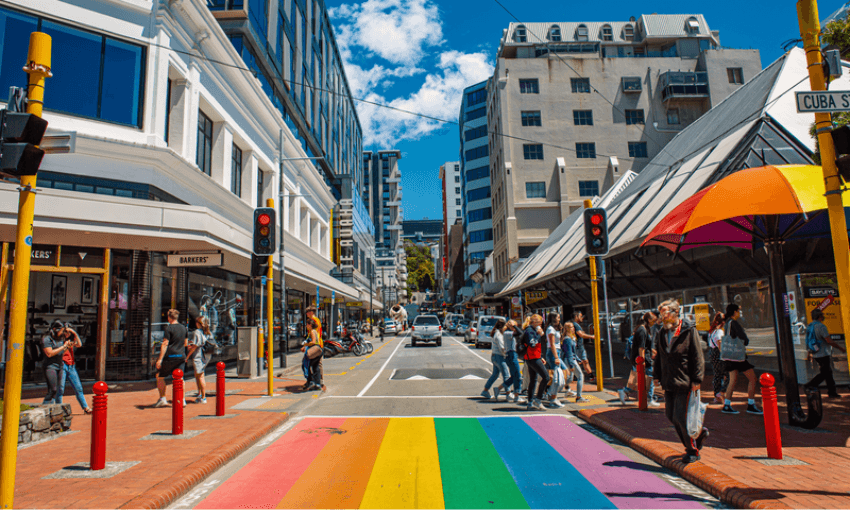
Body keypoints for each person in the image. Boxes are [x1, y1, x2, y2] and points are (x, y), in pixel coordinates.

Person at [654, 300, 708, 464]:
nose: (663, 317)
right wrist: (657, 375)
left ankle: (692, 450)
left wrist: (697, 379)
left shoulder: (689, 331)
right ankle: (698, 435)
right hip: (669, 381)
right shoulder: (662, 333)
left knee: (681, 416)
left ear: (676, 313)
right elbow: (660, 357)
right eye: (661, 314)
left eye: (665, 313)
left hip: (685, 381)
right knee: (671, 415)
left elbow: (698, 356)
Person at [721, 304, 762, 415]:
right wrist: (746, 340)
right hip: (738, 357)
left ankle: (727, 405)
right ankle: (751, 404)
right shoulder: (734, 323)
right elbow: (743, 337)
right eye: (738, 311)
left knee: (732, 380)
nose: (739, 313)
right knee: (753, 379)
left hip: (729, 356)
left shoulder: (727, 323)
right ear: (734, 312)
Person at [805, 309, 845, 398]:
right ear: (820, 316)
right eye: (822, 315)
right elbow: (828, 340)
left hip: (815, 353)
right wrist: (840, 348)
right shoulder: (821, 326)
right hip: (823, 353)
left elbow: (808, 341)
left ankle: (832, 392)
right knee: (826, 373)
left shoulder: (810, 326)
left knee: (827, 373)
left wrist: (809, 353)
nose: (823, 317)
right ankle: (810, 385)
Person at [154, 309, 188, 408]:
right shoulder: (183, 328)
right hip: (181, 356)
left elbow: (165, 344)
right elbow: (186, 343)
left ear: (169, 317)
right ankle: (182, 399)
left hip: (170, 356)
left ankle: (163, 398)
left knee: (159, 376)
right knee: (180, 378)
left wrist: (160, 359)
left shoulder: (168, 329)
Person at [56, 323, 92, 414]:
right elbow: (58, 354)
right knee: (60, 389)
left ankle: (85, 407)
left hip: (71, 366)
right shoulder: (59, 341)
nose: (67, 334)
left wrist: (75, 333)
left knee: (78, 388)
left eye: (69, 332)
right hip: (62, 365)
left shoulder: (71, 339)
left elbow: (79, 344)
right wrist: (65, 346)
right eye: (66, 332)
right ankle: (58, 409)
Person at [521, 314, 550, 410]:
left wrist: (540, 356)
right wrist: (539, 334)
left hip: (533, 357)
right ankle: (538, 400)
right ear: (533, 323)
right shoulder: (529, 331)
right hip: (533, 358)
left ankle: (530, 402)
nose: (540, 326)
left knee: (533, 380)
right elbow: (532, 344)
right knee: (546, 377)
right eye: (538, 324)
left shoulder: (531, 330)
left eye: (541, 324)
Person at [481, 319, 514, 401]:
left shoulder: (497, 333)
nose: (506, 328)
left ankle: (485, 390)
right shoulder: (498, 335)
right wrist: (508, 354)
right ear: (502, 326)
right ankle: (508, 393)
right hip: (499, 357)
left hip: (495, 356)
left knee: (495, 375)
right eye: (506, 326)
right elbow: (502, 348)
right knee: (506, 375)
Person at [41, 320, 72, 405]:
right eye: (62, 330)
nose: (63, 333)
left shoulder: (61, 338)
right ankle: (44, 407)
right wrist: (63, 347)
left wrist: (67, 346)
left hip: (60, 365)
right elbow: (49, 353)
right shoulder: (47, 338)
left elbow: (63, 351)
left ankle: (51, 408)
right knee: (52, 389)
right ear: (55, 329)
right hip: (50, 366)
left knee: (58, 389)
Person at [561, 322, 589, 403]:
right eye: (571, 327)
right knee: (580, 376)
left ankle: (567, 391)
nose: (573, 328)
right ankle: (579, 397)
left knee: (569, 378)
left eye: (573, 327)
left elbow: (573, 352)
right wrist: (571, 365)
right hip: (570, 360)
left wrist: (578, 359)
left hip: (571, 360)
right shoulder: (568, 340)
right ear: (567, 329)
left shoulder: (570, 338)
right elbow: (569, 353)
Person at [188, 316, 212, 404]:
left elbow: (195, 346)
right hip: (206, 355)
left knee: (200, 375)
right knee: (198, 374)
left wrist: (187, 356)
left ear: (198, 323)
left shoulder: (197, 332)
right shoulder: (208, 332)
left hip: (198, 356)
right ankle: (199, 394)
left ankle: (203, 397)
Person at [544, 313, 565, 408]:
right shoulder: (550, 329)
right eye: (558, 317)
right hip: (553, 353)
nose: (559, 319)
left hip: (557, 352)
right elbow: (552, 344)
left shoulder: (554, 328)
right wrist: (556, 357)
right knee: (557, 378)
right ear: (553, 318)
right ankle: (552, 398)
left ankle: (550, 393)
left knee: (564, 374)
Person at [707, 312, 729, 404]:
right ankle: (721, 392)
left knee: (717, 375)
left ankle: (716, 395)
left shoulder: (712, 330)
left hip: (712, 353)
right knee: (728, 375)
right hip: (718, 353)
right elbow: (720, 343)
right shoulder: (720, 331)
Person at [571, 311, 595, 382]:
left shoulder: (576, 325)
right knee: (578, 362)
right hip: (577, 347)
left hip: (580, 346)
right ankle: (572, 378)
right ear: (576, 317)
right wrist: (592, 336)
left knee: (585, 361)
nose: (582, 318)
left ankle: (591, 376)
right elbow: (581, 334)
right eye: (580, 316)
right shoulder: (575, 325)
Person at [503, 320, 523, 402]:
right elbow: (520, 333)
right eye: (514, 326)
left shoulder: (508, 333)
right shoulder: (507, 333)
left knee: (515, 376)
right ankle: (516, 396)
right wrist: (514, 326)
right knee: (518, 376)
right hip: (511, 355)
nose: (515, 328)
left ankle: (503, 387)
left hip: (511, 354)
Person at [302, 317, 324, 390]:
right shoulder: (313, 331)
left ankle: (311, 381)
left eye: (307, 324)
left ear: (309, 325)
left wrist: (305, 345)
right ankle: (317, 384)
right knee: (315, 366)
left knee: (305, 365)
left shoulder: (312, 331)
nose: (306, 326)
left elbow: (314, 342)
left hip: (314, 351)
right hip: (317, 351)